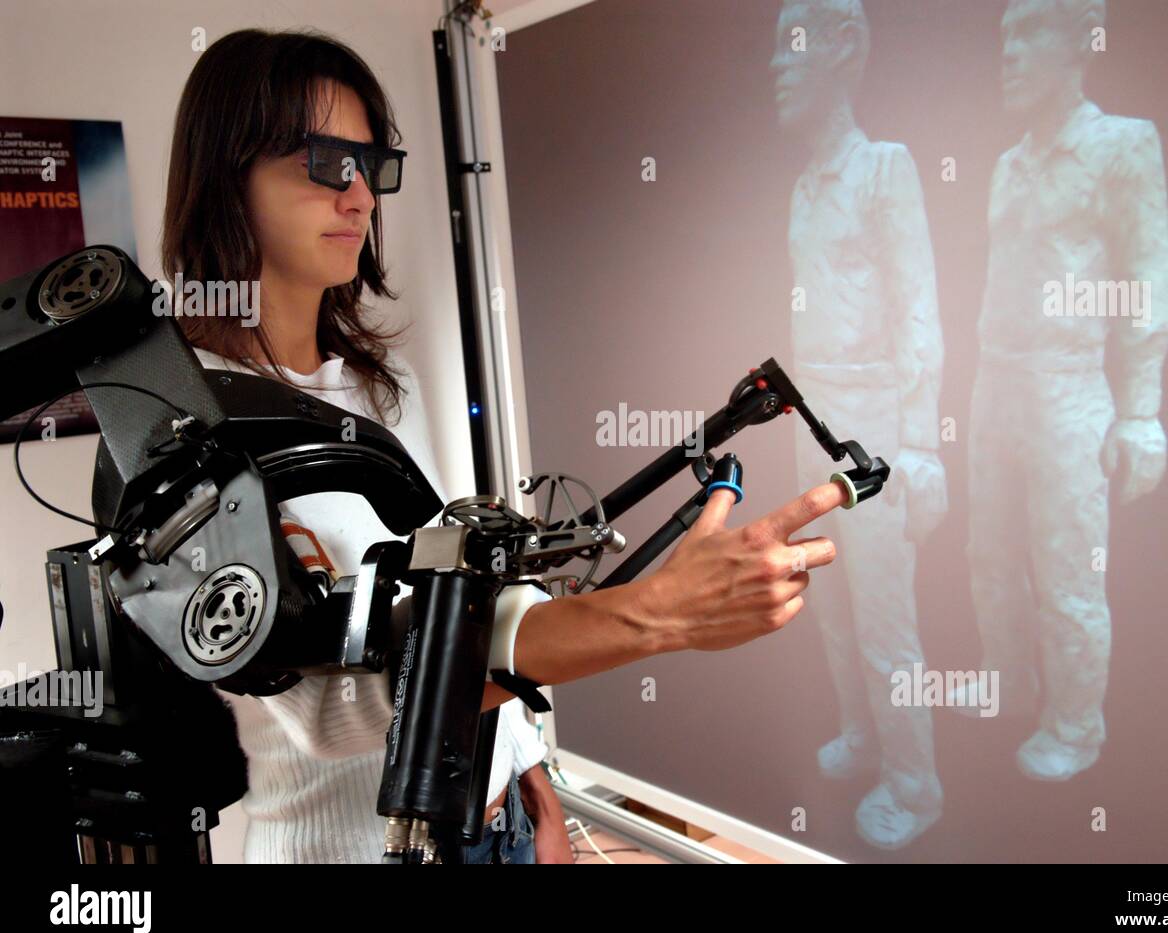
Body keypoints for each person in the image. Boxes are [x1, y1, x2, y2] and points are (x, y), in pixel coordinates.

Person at [163, 28, 846, 863]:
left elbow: (466, 586)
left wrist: (531, 779)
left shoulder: (380, 386)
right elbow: (330, 714)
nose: (361, 199)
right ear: (226, 171)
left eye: (372, 168)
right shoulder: (184, 433)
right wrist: (653, 615)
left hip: (498, 822)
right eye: (327, 163)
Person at [951, 0, 1168, 781]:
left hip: (1067, 387)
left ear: (1084, 37)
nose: (1008, 52)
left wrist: (1141, 411)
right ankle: (1011, 687)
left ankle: (1075, 723)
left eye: (1029, 32)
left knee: (1067, 568)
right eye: (1004, 34)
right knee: (989, 556)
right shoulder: (1009, 164)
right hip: (998, 381)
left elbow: (1148, 279)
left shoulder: (1121, 146)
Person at [770, 0, 948, 850]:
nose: (777, 66)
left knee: (884, 619)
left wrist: (917, 447)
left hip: (873, 416)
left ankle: (915, 785)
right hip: (816, 414)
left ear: (845, 49)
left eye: (792, 47)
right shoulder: (805, 185)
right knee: (832, 600)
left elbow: (918, 308)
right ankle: (864, 734)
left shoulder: (884, 169)